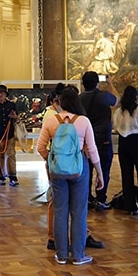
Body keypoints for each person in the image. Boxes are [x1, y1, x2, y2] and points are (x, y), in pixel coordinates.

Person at [36, 85, 102, 265]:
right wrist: (100, 174)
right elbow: (92, 150)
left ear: (60, 102)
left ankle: (62, 254)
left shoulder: (50, 121)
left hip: (57, 171)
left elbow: (40, 147)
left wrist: (51, 161)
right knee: (79, 212)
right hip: (79, 168)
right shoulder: (83, 121)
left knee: (59, 211)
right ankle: (79, 255)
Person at [112, 85, 138, 216]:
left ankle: (129, 206)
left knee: (126, 174)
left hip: (124, 142)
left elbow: (116, 127)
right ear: (136, 97)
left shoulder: (119, 112)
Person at [79, 71, 116, 208]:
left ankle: (87, 199)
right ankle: (101, 199)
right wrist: (110, 84)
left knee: (86, 170)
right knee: (104, 169)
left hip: (85, 140)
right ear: (97, 83)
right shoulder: (104, 96)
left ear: (83, 84)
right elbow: (117, 100)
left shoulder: (79, 98)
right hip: (103, 139)